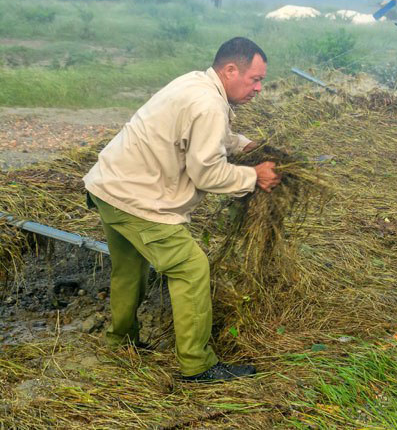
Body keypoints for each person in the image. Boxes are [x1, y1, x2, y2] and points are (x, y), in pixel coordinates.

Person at [83, 37, 281, 382]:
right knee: (190, 267)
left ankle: (119, 342)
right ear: (230, 70)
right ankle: (197, 365)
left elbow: (207, 134)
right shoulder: (208, 104)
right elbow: (207, 172)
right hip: (137, 199)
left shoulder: (196, 83)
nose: (259, 88)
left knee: (129, 269)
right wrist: (254, 176)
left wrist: (245, 144)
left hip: (108, 186)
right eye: (255, 79)